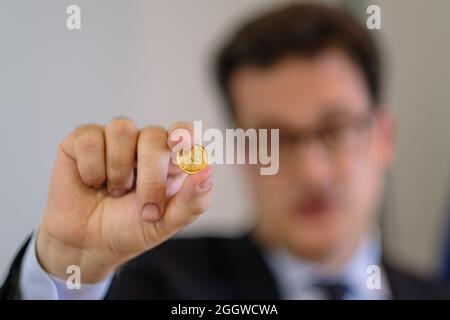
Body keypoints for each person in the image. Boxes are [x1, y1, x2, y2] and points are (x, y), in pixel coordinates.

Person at [1, 2, 449, 300]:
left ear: (383, 137)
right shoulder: (159, 282)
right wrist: (71, 267)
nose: (312, 171)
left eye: (335, 129)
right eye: (275, 138)